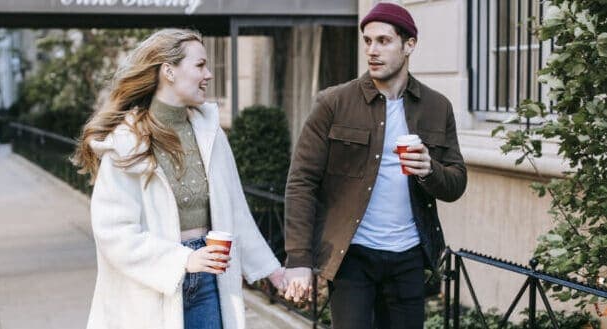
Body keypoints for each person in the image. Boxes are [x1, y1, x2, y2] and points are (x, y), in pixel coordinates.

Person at [72, 29, 286, 329]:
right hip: (147, 290)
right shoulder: (125, 142)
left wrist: (271, 270)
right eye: (199, 65)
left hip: (210, 279)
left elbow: (234, 211)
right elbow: (114, 232)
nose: (208, 74)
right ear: (168, 71)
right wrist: (182, 260)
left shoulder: (210, 134)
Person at [282, 3, 467, 328]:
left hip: (409, 256)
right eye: (368, 41)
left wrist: (428, 169)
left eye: (383, 41)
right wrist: (298, 259)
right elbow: (301, 182)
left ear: (409, 45)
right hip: (353, 255)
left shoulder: (438, 107)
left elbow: (456, 182)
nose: (372, 50)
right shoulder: (333, 103)